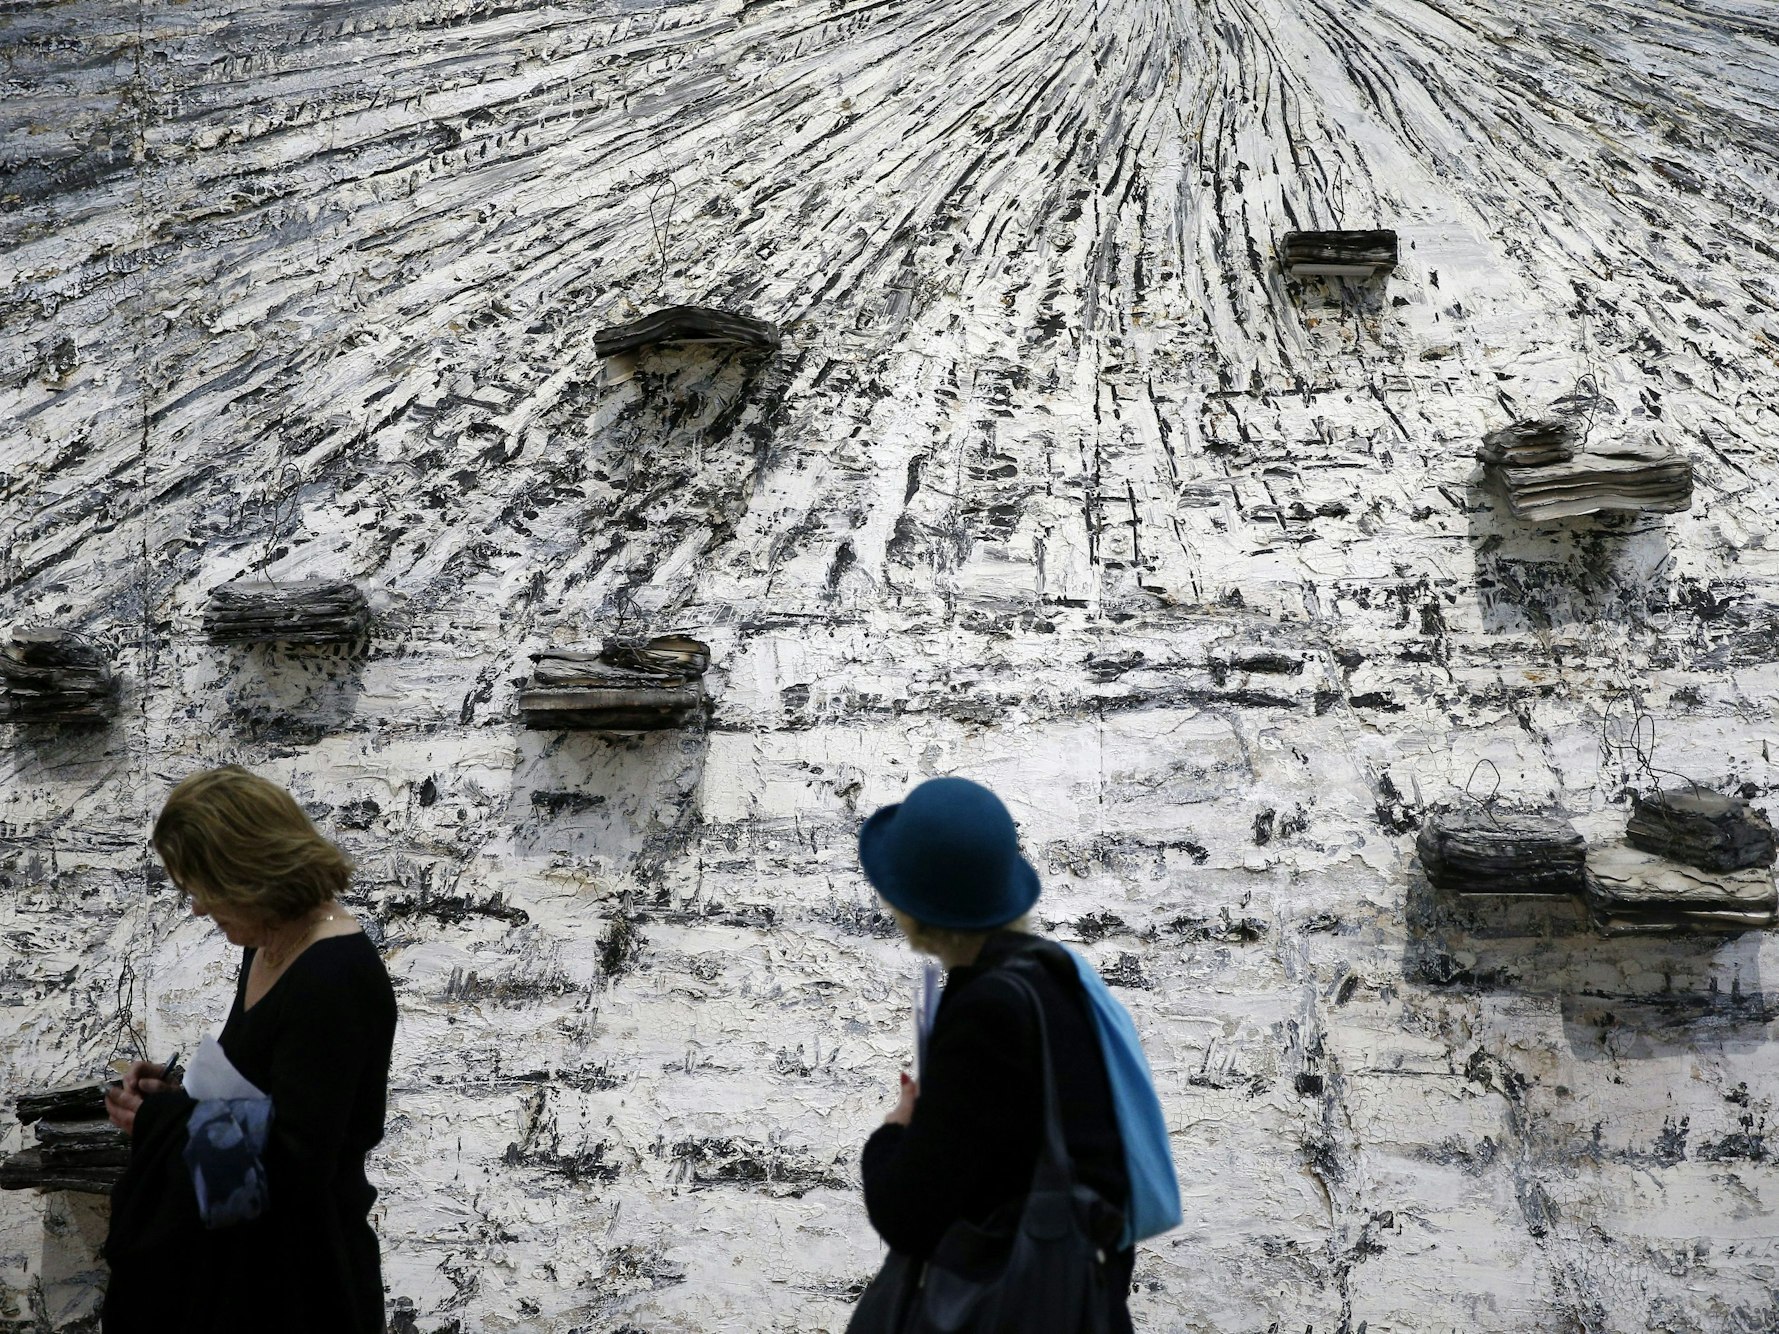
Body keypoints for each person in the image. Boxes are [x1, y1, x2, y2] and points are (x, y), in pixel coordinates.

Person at [856, 776, 1173, 1334]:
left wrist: (895, 1130)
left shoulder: (987, 1011)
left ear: (915, 909)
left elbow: (909, 1213)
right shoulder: (1054, 975)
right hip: (1080, 1300)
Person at [102, 766, 397, 1334]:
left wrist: (165, 1122)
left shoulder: (333, 976)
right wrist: (172, 1097)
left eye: (201, 889)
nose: (196, 909)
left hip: (301, 1284)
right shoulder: (267, 945)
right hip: (250, 1268)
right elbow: (262, 1093)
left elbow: (296, 1166)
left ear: (249, 873)